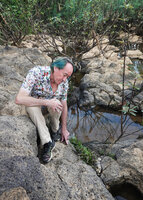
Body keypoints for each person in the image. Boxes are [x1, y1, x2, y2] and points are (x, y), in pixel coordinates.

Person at [15, 57, 74, 163]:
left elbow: (64, 105)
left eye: (68, 77)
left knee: (58, 104)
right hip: (35, 107)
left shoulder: (64, 83)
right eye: (64, 75)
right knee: (31, 107)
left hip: (50, 110)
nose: (65, 79)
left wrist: (64, 129)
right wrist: (47, 102)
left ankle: (55, 130)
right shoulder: (36, 73)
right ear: (55, 68)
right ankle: (47, 142)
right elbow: (19, 99)